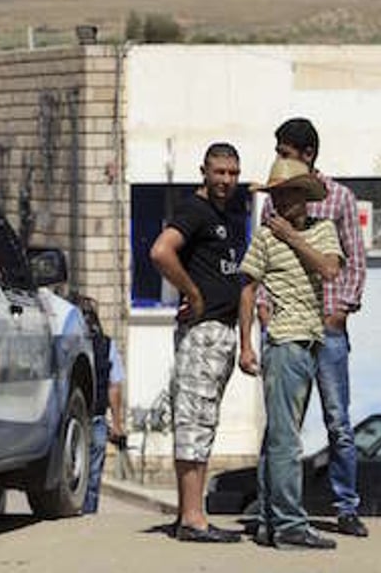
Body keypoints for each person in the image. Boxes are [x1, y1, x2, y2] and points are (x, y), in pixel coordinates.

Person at [264, 117, 370, 537]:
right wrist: (265, 310)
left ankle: (345, 506)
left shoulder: (339, 198)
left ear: (307, 155)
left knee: (337, 420)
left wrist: (342, 308)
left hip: (326, 326)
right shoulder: (274, 199)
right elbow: (265, 260)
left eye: (286, 153)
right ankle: (275, 507)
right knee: (281, 422)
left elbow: (355, 259)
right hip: (288, 326)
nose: (280, 160)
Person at [239, 157, 342, 551]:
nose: (281, 204)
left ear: (304, 197)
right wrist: (246, 344)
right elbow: (248, 288)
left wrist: (293, 238)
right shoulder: (265, 238)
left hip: (310, 341)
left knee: (279, 436)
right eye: (276, 196)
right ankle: (289, 525)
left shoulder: (323, 230)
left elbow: (330, 271)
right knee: (285, 440)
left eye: (288, 195)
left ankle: (270, 519)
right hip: (284, 342)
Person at [148, 142, 244, 543]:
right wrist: (194, 293)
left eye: (233, 173)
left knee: (204, 421)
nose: (226, 181)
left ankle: (193, 512)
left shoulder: (227, 215)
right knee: (193, 420)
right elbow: (160, 252)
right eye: (218, 172)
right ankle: (191, 518)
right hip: (202, 333)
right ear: (203, 171)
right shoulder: (195, 211)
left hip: (222, 332)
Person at [75, 295, 126, 514]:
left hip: (93, 419)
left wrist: (116, 424)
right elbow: (114, 385)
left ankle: (87, 515)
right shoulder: (103, 344)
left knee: (92, 474)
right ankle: (81, 513)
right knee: (86, 473)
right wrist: (116, 424)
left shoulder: (105, 345)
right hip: (81, 420)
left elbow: (114, 385)